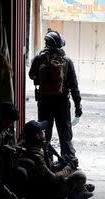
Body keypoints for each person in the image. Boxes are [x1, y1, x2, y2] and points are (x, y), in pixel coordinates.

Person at [29, 28, 82, 158]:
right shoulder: (67, 61)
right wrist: (78, 106)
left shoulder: (38, 58)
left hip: (44, 102)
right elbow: (74, 86)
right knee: (65, 134)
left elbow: (31, 75)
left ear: (46, 43)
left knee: (45, 135)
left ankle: (47, 161)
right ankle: (68, 160)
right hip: (62, 103)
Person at [22, 120, 93, 199]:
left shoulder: (30, 148)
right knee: (80, 175)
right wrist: (68, 168)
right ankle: (77, 193)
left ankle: (80, 189)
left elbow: (48, 168)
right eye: (42, 131)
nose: (44, 132)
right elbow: (53, 178)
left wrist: (62, 164)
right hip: (48, 194)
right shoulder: (36, 156)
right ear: (37, 135)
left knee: (75, 170)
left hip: (44, 186)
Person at [0, 101, 34, 197]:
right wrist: (4, 150)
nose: (9, 125)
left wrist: (15, 149)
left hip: (8, 159)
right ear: (0, 117)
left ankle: (28, 198)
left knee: (30, 163)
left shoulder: (5, 127)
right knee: (22, 173)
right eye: (7, 122)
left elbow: (8, 143)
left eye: (11, 123)